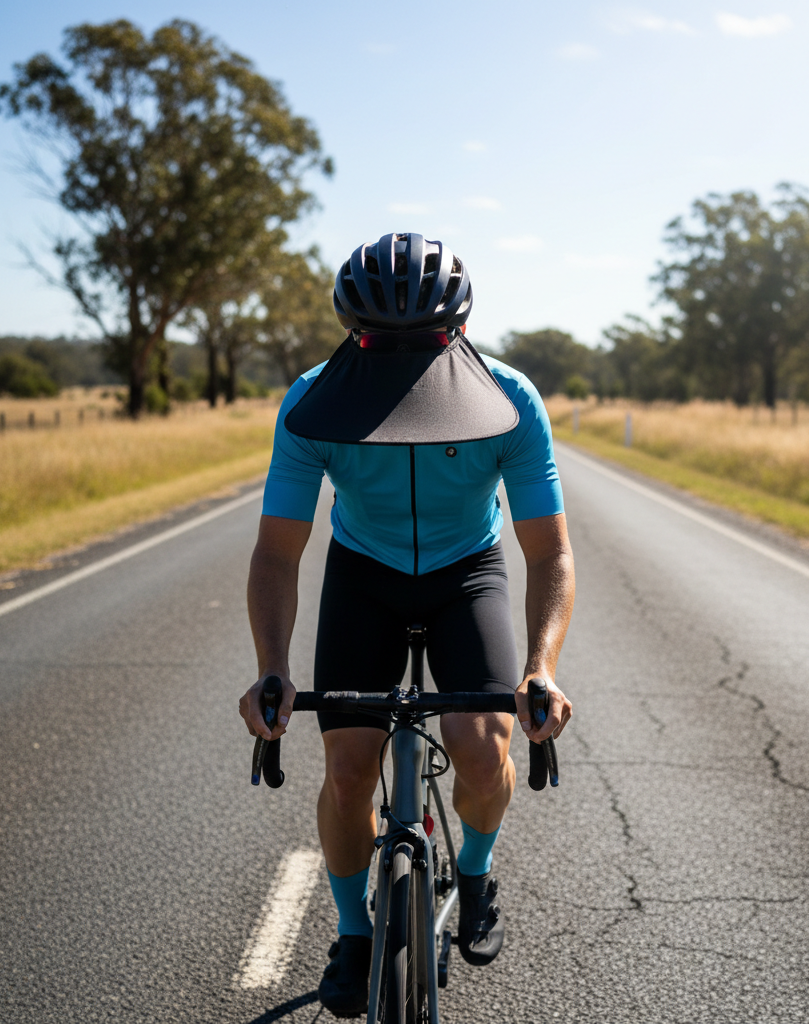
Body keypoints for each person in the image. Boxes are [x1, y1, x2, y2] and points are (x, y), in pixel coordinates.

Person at [239, 232, 574, 1018]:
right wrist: (271, 666)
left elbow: (550, 553)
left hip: (468, 572)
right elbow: (278, 553)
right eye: (379, 347)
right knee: (348, 769)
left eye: (422, 347)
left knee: (484, 750)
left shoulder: (511, 400)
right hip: (365, 574)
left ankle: (477, 874)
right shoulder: (312, 402)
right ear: (350, 334)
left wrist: (541, 666)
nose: (402, 368)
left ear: (459, 331)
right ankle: (353, 932)